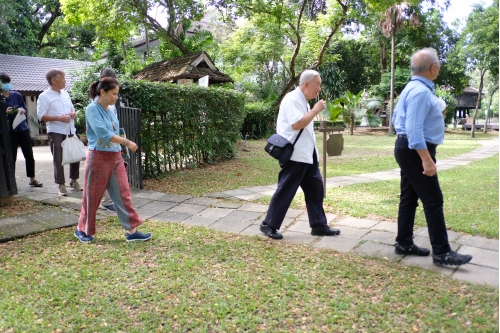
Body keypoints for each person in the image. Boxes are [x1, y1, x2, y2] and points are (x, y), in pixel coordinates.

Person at [392, 47, 472, 266]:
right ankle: (442, 252)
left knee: (409, 197)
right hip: (416, 149)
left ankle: (404, 242)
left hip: (409, 148)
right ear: (433, 67)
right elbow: (414, 131)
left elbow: (396, 119)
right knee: (433, 198)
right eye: (438, 63)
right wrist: (426, 159)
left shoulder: (413, 88)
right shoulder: (420, 92)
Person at [260, 70, 341, 239]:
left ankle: (319, 225)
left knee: (316, 189)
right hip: (295, 155)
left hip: (307, 154)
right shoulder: (292, 99)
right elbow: (297, 124)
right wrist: (315, 110)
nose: (319, 89)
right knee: (286, 189)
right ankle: (268, 224)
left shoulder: (302, 100)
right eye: (317, 85)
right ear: (306, 84)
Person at [74, 77, 151, 243]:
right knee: (92, 196)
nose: (117, 97)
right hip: (98, 157)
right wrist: (127, 142)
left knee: (123, 193)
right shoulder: (92, 109)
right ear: (103, 92)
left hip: (115, 156)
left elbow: (116, 129)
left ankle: (132, 231)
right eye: (114, 94)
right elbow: (103, 133)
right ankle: (83, 229)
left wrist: (122, 148)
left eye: (117, 94)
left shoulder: (112, 108)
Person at [37, 69, 82, 196]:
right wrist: (59, 118)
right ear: (53, 80)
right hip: (56, 130)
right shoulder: (44, 96)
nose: (65, 80)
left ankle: (74, 180)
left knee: (76, 155)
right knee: (58, 158)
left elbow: (71, 107)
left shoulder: (65, 93)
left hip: (70, 128)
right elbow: (41, 116)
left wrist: (73, 113)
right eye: (62, 78)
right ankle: (61, 185)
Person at [1, 73, 43, 187]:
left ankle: (32, 179)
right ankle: (11, 181)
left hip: (23, 128)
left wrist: (23, 111)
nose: (7, 85)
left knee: (29, 154)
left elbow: (25, 108)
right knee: (11, 157)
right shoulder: (1, 99)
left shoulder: (17, 95)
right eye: (4, 82)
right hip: (9, 132)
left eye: (8, 82)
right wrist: (5, 113)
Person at [96, 68, 119, 212]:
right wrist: (124, 142)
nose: (116, 96)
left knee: (111, 174)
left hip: (112, 144)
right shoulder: (96, 105)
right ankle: (105, 200)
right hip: (102, 147)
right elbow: (102, 131)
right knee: (102, 175)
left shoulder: (111, 99)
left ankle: (110, 200)